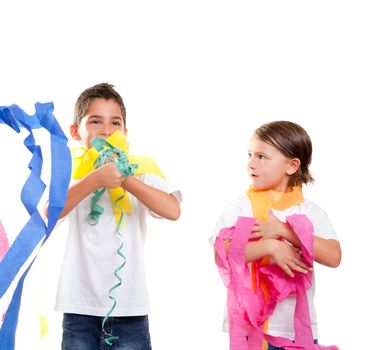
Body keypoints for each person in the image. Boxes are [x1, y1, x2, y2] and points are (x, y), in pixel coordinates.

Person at [50, 82, 181, 350]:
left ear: (125, 131)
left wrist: (126, 180)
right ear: (76, 132)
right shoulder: (71, 173)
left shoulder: (139, 169)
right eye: (95, 121)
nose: (107, 131)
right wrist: (95, 180)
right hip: (79, 306)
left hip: (130, 308)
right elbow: (47, 215)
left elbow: (172, 210)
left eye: (115, 123)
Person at [210, 121, 341, 350]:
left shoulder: (309, 211)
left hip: (295, 331)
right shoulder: (242, 206)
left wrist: (285, 230)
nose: (251, 163)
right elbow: (224, 252)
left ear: (291, 166)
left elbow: (334, 256)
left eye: (261, 156)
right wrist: (270, 247)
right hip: (253, 331)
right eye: (250, 154)